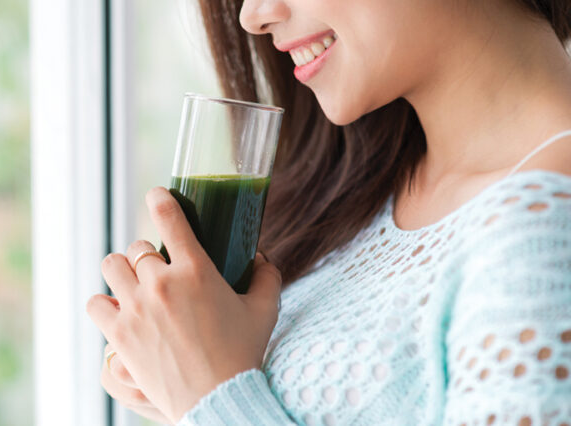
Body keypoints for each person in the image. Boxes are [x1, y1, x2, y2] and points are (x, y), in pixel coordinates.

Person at [87, 0, 571, 424]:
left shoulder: (543, 227)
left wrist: (209, 396)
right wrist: (181, 360)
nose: (252, 16)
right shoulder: (359, 187)